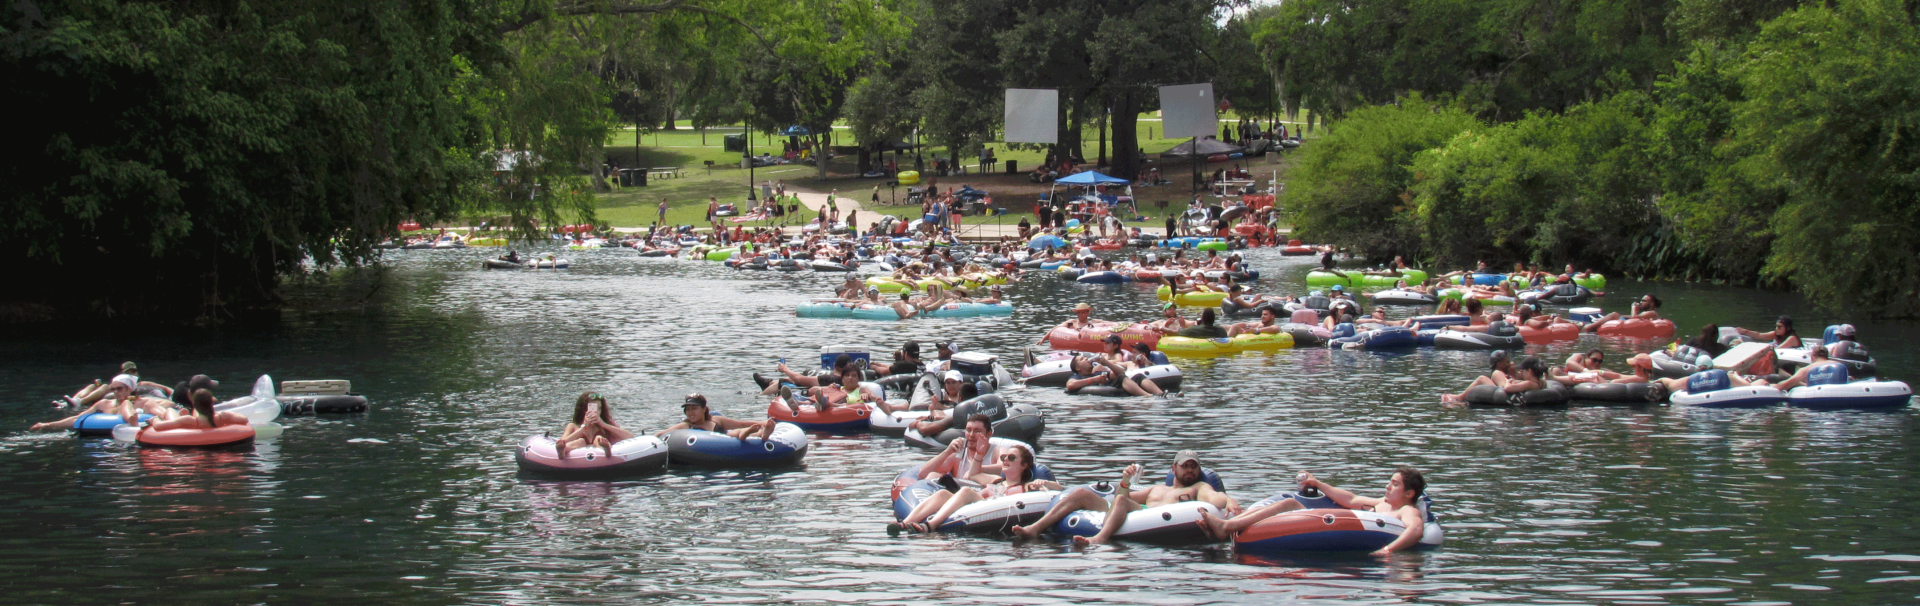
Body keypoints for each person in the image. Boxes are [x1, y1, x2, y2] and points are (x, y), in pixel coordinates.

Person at [1012, 451, 1239, 545]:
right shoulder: (1156, 489)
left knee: (1121, 502)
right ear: (1174, 468)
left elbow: (1216, 498)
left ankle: (1098, 540)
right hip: (1138, 512)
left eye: (1193, 467)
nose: (1189, 470)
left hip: (1156, 519)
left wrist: (1229, 501)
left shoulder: (1199, 486)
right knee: (1082, 493)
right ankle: (1035, 528)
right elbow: (1122, 495)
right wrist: (1125, 480)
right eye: (1185, 466)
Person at [1198, 468, 1429, 556]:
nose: (1387, 486)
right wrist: (1318, 483)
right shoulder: (1381, 503)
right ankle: (1227, 529)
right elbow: (1351, 499)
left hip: (1368, 540)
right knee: (1284, 503)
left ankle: (1227, 527)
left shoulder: (1407, 511)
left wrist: (1388, 550)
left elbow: (1416, 530)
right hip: (1343, 534)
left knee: (1288, 504)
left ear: (1410, 493)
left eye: (1395, 484)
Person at [891, 440, 1060, 534]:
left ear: (1023, 466)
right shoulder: (995, 481)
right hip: (974, 508)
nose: (1005, 460)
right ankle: (904, 524)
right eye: (1004, 458)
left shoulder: (1026, 487)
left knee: (965, 491)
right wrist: (979, 454)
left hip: (993, 510)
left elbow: (1060, 491)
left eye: (1011, 458)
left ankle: (931, 525)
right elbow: (972, 475)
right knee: (942, 494)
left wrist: (1044, 483)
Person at [917, 414, 1002, 484]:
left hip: (983, 495)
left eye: (977, 431)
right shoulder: (959, 451)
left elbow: (1006, 468)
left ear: (989, 434)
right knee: (933, 475)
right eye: (968, 430)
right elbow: (922, 475)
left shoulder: (997, 451)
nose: (972, 435)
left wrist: (975, 470)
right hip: (957, 494)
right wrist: (947, 451)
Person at [656, 394, 777, 440]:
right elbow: (663, 433)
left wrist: (764, 422)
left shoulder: (715, 420)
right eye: (688, 409)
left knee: (739, 431)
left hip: (729, 438)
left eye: (694, 408)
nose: (690, 413)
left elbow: (740, 423)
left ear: (703, 409)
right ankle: (754, 433)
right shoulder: (686, 425)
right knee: (738, 434)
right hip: (711, 447)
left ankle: (763, 432)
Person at [556, 392, 634, 459]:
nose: (596, 411)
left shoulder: (607, 424)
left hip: (599, 450)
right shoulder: (573, 425)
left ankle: (605, 449)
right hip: (579, 452)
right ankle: (563, 451)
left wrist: (603, 424)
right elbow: (562, 441)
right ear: (584, 409)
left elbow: (629, 437)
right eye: (592, 408)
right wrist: (583, 427)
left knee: (598, 438)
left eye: (599, 408)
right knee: (580, 441)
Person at [145, 388, 248, 432]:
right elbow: (244, 419)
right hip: (209, 420)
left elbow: (158, 426)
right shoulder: (223, 416)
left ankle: (177, 414)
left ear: (194, 404)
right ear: (212, 404)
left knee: (170, 411)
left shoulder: (188, 420)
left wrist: (154, 419)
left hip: (189, 424)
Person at [1769, 344, 1850, 390]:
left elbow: (1786, 384)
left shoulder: (1807, 369)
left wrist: (1774, 386)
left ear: (1812, 357)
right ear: (1827, 356)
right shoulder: (1838, 364)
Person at [1737, 316, 1802, 348]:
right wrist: (1746, 332)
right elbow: (1759, 335)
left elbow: (1778, 349)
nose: (1776, 329)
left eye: (1780, 327)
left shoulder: (1792, 338)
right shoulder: (1776, 334)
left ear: (1788, 328)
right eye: (1776, 326)